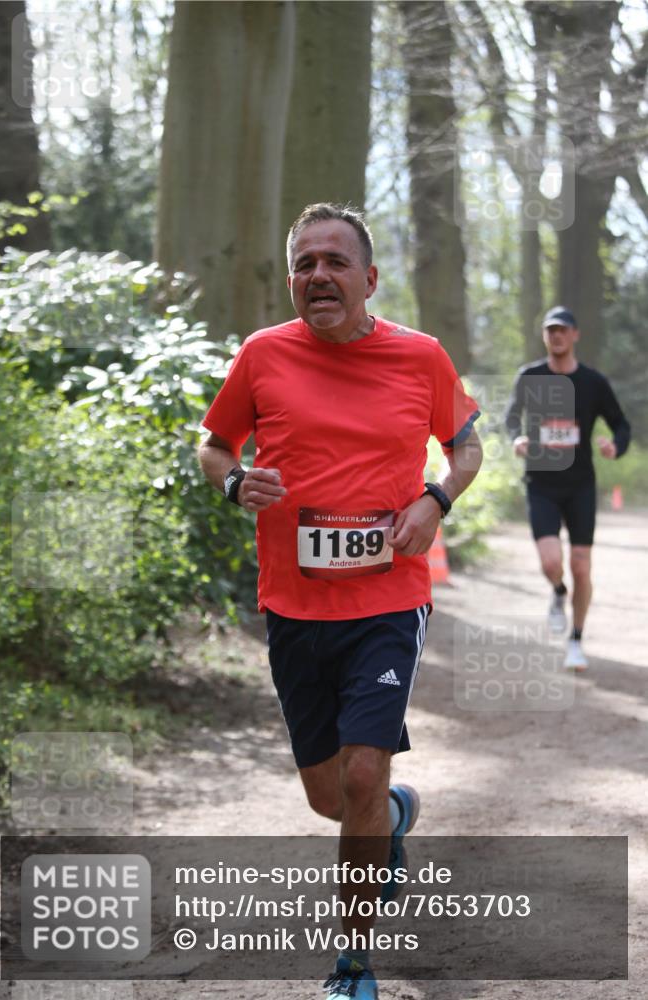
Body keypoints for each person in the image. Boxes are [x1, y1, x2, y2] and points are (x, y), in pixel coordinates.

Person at [198, 203, 482, 999]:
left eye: (333, 261)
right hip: (292, 605)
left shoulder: (419, 357)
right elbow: (214, 443)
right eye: (303, 264)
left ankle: (352, 964)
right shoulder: (261, 356)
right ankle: (389, 817)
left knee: (360, 771)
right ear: (292, 279)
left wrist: (436, 499)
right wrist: (231, 481)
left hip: (388, 600)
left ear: (368, 278)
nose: (317, 275)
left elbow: (466, 444)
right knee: (333, 798)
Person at [505, 306, 630, 670]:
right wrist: (517, 437)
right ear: (545, 336)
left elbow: (621, 425)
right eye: (550, 330)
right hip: (541, 483)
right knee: (550, 562)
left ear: (575, 335)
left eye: (563, 330)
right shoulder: (530, 376)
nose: (557, 336)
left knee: (580, 567)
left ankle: (576, 640)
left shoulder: (593, 382)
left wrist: (615, 446)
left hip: (580, 485)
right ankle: (558, 593)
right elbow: (511, 417)